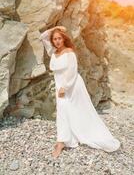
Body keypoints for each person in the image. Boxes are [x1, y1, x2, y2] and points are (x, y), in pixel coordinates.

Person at [39, 26, 121, 158]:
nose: (57, 41)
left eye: (59, 38)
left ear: (64, 39)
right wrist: (56, 28)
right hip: (61, 86)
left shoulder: (69, 52)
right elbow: (42, 37)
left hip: (72, 86)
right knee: (64, 110)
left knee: (72, 109)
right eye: (54, 39)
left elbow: (72, 71)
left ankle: (62, 141)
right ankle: (64, 139)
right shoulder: (53, 52)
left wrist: (64, 88)